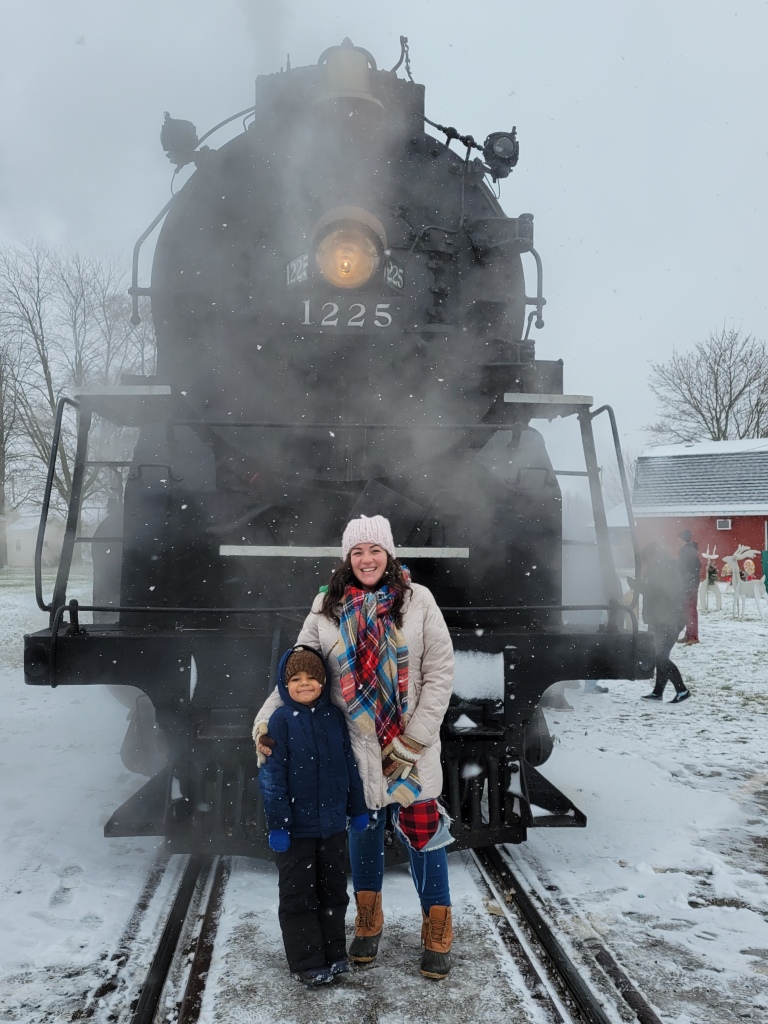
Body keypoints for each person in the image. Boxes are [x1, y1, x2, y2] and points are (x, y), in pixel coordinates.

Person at [253, 514, 456, 979]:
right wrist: (265, 721)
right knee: (362, 833)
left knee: (424, 835)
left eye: (375, 550)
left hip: (410, 747)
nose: (367, 559)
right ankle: (368, 920)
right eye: (358, 552)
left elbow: (440, 674)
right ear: (347, 559)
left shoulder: (419, 601)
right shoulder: (326, 607)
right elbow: (296, 672)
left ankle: (437, 926)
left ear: (389, 555)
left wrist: (414, 739)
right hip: (354, 746)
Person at [258, 644, 369, 986]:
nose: (304, 684)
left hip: (332, 825)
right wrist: (278, 825)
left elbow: (348, 766)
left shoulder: (333, 717)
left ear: (323, 681)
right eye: (295, 678)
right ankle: (307, 961)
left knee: (334, 891)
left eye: (311, 677)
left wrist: (358, 807)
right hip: (297, 830)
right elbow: (272, 779)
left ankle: (334, 954)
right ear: (284, 683)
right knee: (298, 895)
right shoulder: (279, 722)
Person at [628, 543, 692, 703]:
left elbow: (659, 592)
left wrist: (638, 586)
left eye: (646, 559)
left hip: (668, 620)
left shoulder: (663, 570)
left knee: (661, 657)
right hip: (663, 619)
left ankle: (682, 691)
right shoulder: (664, 567)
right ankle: (657, 693)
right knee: (660, 656)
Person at [677, 529, 700, 645]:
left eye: (679, 537)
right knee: (687, 610)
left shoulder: (687, 551)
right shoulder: (690, 550)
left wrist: (687, 582)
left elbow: (684, 568)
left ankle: (694, 636)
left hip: (689, 584)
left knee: (690, 610)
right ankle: (688, 634)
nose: (677, 540)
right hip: (689, 583)